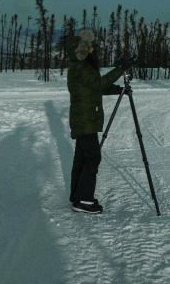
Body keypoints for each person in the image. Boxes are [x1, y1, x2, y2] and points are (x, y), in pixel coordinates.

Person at [67, 28, 132, 214]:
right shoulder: (80, 67)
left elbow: (95, 87)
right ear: (83, 50)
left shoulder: (79, 66)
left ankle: (77, 196)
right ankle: (84, 200)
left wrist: (119, 89)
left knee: (82, 158)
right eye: (89, 48)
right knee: (93, 158)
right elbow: (98, 84)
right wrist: (121, 69)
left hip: (84, 119)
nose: (92, 51)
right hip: (85, 120)